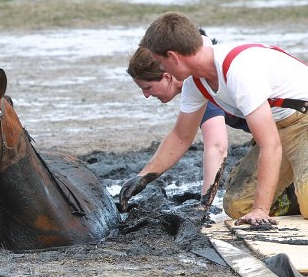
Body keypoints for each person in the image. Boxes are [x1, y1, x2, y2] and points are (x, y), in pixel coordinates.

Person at [120, 11, 308, 226]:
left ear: (173, 56)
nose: (162, 69)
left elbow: (270, 145)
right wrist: (144, 176)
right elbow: (181, 136)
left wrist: (260, 210)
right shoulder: (195, 83)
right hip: (279, 130)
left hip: (303, 122)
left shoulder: (239, 71)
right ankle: (295, 189)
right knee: (238, 206)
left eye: (160, 62)